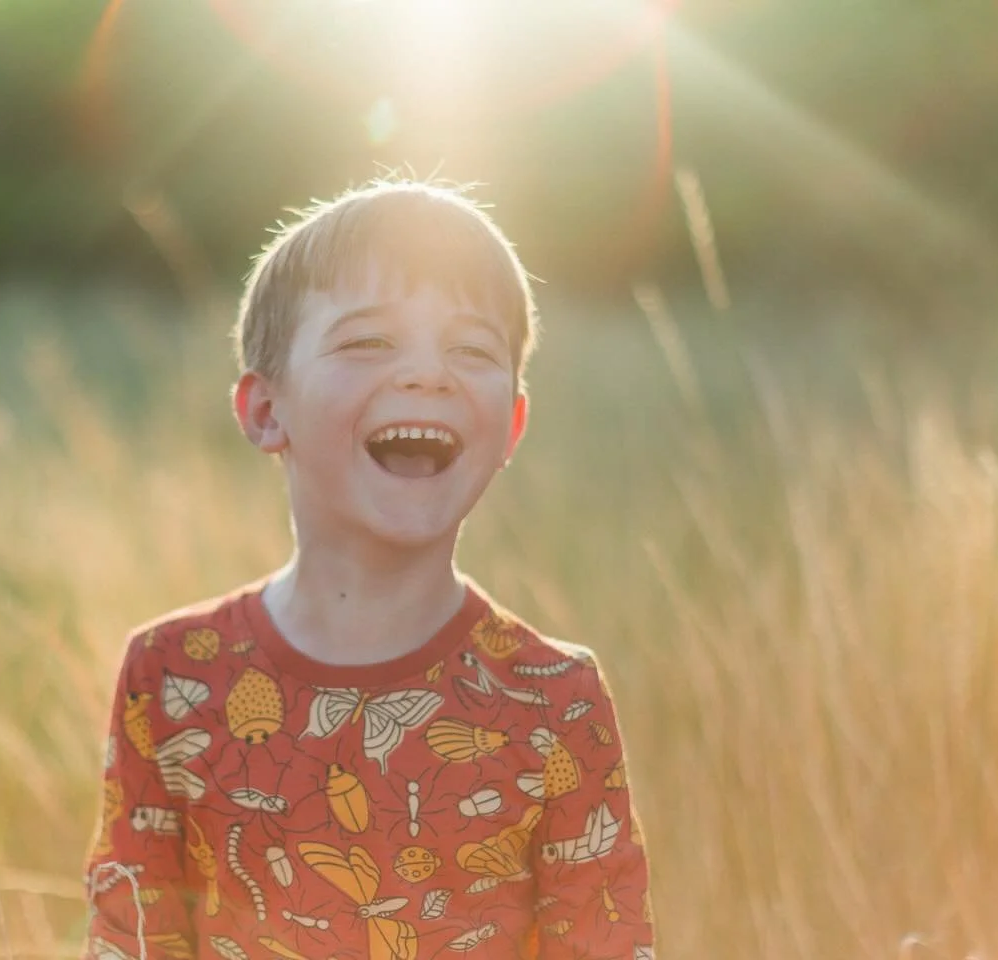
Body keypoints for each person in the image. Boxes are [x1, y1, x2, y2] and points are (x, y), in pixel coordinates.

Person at [83, 178, 655, 960]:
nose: (428, 375)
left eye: (472, 350)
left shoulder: (554, 699)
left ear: (513, 422)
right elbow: (132, 941)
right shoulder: (173, 674)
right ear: (264, 411)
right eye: (368, 342)